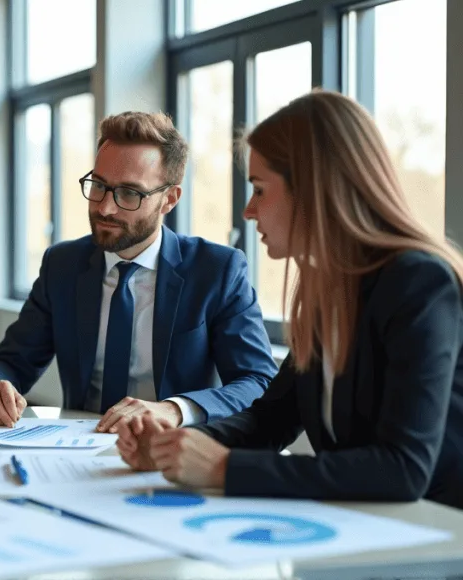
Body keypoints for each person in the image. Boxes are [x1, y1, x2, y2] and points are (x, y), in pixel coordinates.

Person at [116, 90, 463, 509]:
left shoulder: (418, 283)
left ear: (314, 191)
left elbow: (403, 470)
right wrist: (178, 445)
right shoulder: (326, 288)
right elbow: (271, 420)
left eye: (260, 190)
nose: (247, 211)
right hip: (364, 534)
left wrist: (225, 469)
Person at [0, 112, 277, 429]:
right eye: (99, 185)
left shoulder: (216, 270)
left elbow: (257, 381)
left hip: (172, 451)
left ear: (169, 199)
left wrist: (174, 410)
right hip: (74, 448)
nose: (105, 207)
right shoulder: (62, 265)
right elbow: (10, 362)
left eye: (129, 193)